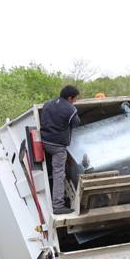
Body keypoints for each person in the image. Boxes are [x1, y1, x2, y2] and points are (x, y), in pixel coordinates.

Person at [40, 85, 81, 215]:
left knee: (52, 170)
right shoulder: (70, 109)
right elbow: (76, 123)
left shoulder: (48, 104)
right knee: (59, 174)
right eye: (75, 99)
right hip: (57, 146)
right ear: (70, 98)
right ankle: (58, 205)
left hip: (44, 142)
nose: (75, 101)